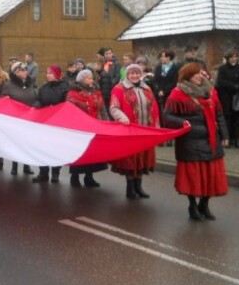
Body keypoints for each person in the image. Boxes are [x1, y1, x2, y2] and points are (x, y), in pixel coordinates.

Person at [163, 63, 229, 221]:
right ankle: (192, 205)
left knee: (210, 176)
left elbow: (219, 114)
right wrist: (185, 124)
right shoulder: (177, 94)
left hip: (211, 140)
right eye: (196, 74)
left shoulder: (211, 92)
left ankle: (204, 205)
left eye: (201, 73)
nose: (200, 76)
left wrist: (225, 134)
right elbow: (167, 116)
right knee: (194, 177)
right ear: (187, 77)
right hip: (190, 142)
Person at [109, 64, 159, 199]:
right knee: (131, 160)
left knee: (141, 159)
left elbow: (154, 107)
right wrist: (123, 118)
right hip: (129, 130)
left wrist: (156, 127)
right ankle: (130, 188)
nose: (135, 76)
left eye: (137, 73)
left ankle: (139, 187)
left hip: (144, 131)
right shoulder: (119, 88)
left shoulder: (146, 88)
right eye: (132, 73)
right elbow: (113, 108)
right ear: (127, 74)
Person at [66, 69, 108, 187]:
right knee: (79, 153)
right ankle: (75, 177)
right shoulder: (73, 93)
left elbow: (102, 108)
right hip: (80, 129)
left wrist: (106, 122)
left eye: (91, 77)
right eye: (88, 78)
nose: (91, 80)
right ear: (82, 80)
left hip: (95, 127)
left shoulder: (96, 92)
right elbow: (70, 111)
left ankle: (89, 177)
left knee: (91, 153)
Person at [32, 65, 69, 183]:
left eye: (50, 73)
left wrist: (56, 109)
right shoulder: (43, 88)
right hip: (45, 121)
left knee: (55, 149)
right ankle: (43, 172)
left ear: (57, 75)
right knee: (42, 148)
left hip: (58, 122)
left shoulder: (64, 87)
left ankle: (55, 172)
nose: (47, 75)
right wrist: (36, 106)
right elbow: (39, 99)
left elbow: (67, 104)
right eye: (47, 72)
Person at [2, 61, 36, 176]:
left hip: (29, 117)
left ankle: (26, 165)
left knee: (27, 143)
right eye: (22, 70)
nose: (25, 71)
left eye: (26, 69)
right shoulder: (9, 84)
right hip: (16, 118)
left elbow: (35, 96)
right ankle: (14, 166)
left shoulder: (30, 82)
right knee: (16, 143)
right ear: (16, 72)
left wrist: (36, 105)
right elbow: (4, 100)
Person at [216, 50, 239, 148]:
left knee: (237, 119)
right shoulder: (222, 69)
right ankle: (227, 139)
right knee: (227, 118)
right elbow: (220, 82)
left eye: (236, 57)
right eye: (232, 57)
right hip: (226, 96)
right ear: (227, 58)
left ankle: (237, 139)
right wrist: (232, 86)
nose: (234, 59)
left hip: (237, 97)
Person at [153, 49, 179, 147]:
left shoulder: (174, 68)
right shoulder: (158, 67)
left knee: (169, 115)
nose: (161, 58)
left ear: (168, 57)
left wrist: (165, 91)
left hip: (169, 94)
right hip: (159, 95)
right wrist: (158, 90)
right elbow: (155, 80)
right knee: (160, 115)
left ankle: (170, 137)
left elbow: (174, 82)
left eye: (163, 56)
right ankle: (161, 137)